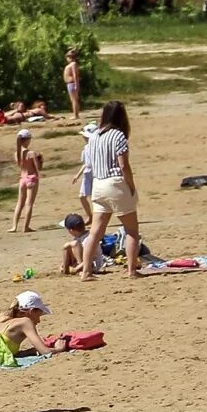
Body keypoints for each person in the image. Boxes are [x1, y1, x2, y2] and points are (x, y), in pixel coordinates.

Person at [79, 101, 140, 282]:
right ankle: (131, 270)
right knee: (132, 231)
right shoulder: (118, 135)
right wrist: (131, 185)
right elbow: (123, 165)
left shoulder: (95, 136)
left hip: (98, 184)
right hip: (115, 183)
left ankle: (86, 272)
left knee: (95, 232)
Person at [58, 212, 111, 276]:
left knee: (75, 244)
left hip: (91, 264)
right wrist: (63, 264)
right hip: (82, 262)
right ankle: (65, 270)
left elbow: (91, 258)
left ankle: (83, 270)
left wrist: (76, 269)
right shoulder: (78, 237)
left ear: (71, 230)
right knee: (67, 246)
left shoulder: (89, 239)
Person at [11, 129, 43, 233]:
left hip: (23, 178)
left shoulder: (17, 154)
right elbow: (37, 167)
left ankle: (14, 226)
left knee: (19, 203)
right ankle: (26, 227)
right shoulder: (31, 153)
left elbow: (21, 166)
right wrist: (40, 160)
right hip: (31, 178)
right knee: (29, 203)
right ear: (27, 140)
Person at [71, 121, 98, 221]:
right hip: (87, 173)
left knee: (95, 197)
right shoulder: (86, 148)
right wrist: (77, 175)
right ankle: (90, 216)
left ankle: (96, 217)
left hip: (94, 173)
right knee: (82, 196)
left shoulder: (96, 147)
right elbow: (85, 164)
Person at [64, 48, 82, 119]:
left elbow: (75, 75)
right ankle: (75, 114)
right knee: (73, 100)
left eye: (68, 57)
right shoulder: (70, 65)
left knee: (74, 99)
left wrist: (76, 85)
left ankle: (76, 115)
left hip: (72, 83)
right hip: (69, 84)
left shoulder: (73, 64)